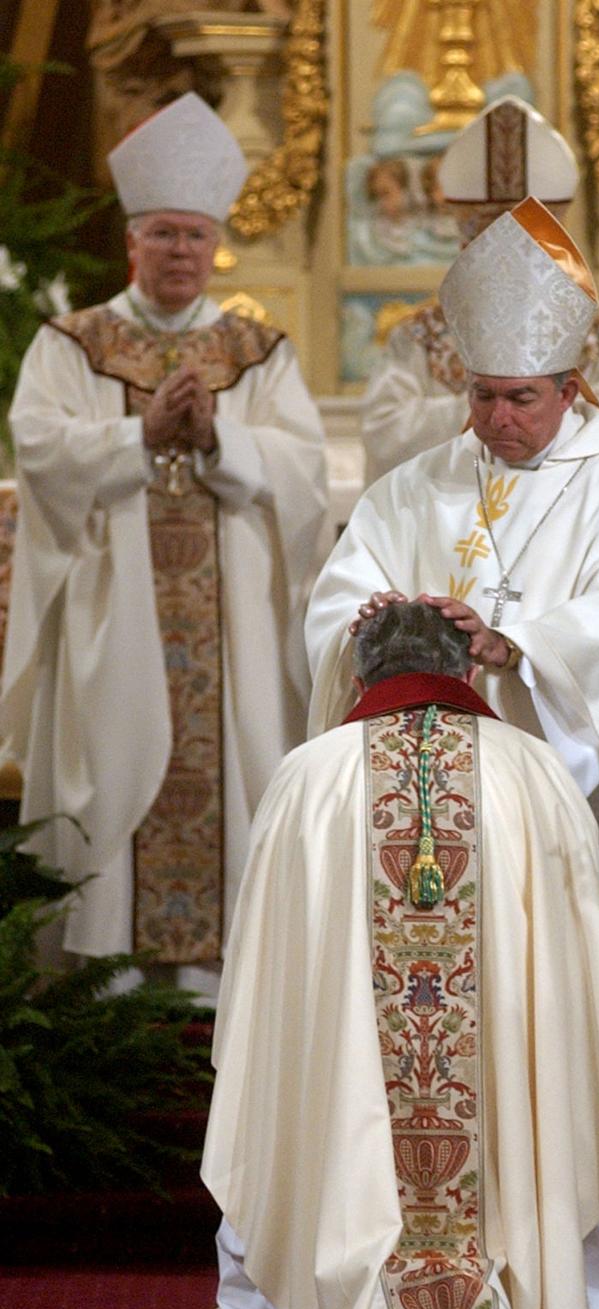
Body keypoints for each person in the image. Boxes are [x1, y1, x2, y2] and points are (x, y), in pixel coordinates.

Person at [307, 197, 599, 1270]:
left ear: (571, 387)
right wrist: (371, 633)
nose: (497, 418)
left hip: (574, 828)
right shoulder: (417, 484)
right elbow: (333, 600)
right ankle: (423, 1272)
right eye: (484, 395)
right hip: (422, 834)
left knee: (561, 1062)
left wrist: (511, 645)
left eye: (521, 398)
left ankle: (570, 1289)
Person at [200, 600, 599, 1309]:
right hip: (493, 1081)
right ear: (470, 672)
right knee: (519, 1134)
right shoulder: (535, 770)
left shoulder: (309, 772)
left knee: (333, 1139)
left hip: (352, 1072)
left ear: (360, 674)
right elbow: (575, 961)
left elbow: (268, 971)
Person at [0, 93, 328, 985]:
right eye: (164, 235)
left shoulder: (257, 350)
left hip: (235, 636)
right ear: (132, 240)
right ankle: (111, 995)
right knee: (111, 785)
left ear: (215, 243)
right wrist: (138, 437)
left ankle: (226, 999)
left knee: (236, 788)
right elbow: (38, 448)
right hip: (117, 625)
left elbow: (305, 469)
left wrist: (223, 437)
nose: (181, 252)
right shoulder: (74, 344)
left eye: (195, 236)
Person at [360, 95, 599, 483]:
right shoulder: (419, 338)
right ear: (469, 248)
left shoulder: (595, 340)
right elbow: (386, 433)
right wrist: (499, 411)